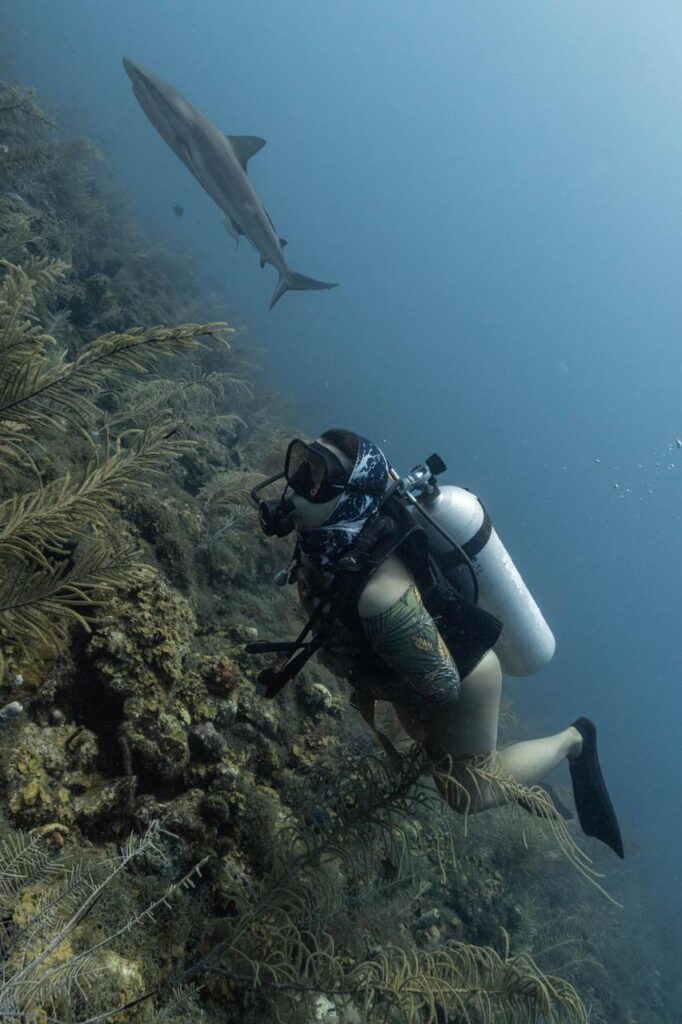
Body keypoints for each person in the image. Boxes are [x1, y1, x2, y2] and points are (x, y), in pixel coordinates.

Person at [250, 428, 624, 858]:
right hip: (412, 655)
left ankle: (574, 740)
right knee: (429, 744)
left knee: (467, 792)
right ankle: (516, 776)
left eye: (316, 476)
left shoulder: (379, 598)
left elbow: (442, 687)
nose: (296, 483)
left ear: (348, 498)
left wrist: (364, 681)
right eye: (301, 464)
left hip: (464, 674)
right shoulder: (327, 543)